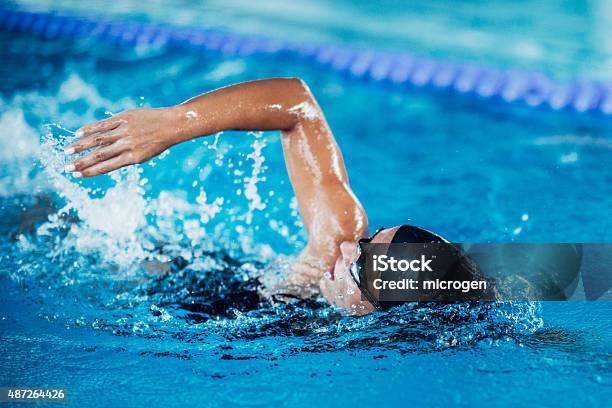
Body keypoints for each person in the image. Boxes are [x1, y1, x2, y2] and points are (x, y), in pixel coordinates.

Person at [62, 78, 494, 315]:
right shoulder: (335, 243)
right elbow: (297, 103)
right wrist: (176, 123)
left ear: (372, 312)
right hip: (171, 271)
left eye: (361, 264)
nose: (347, 247)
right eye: (369, 240)